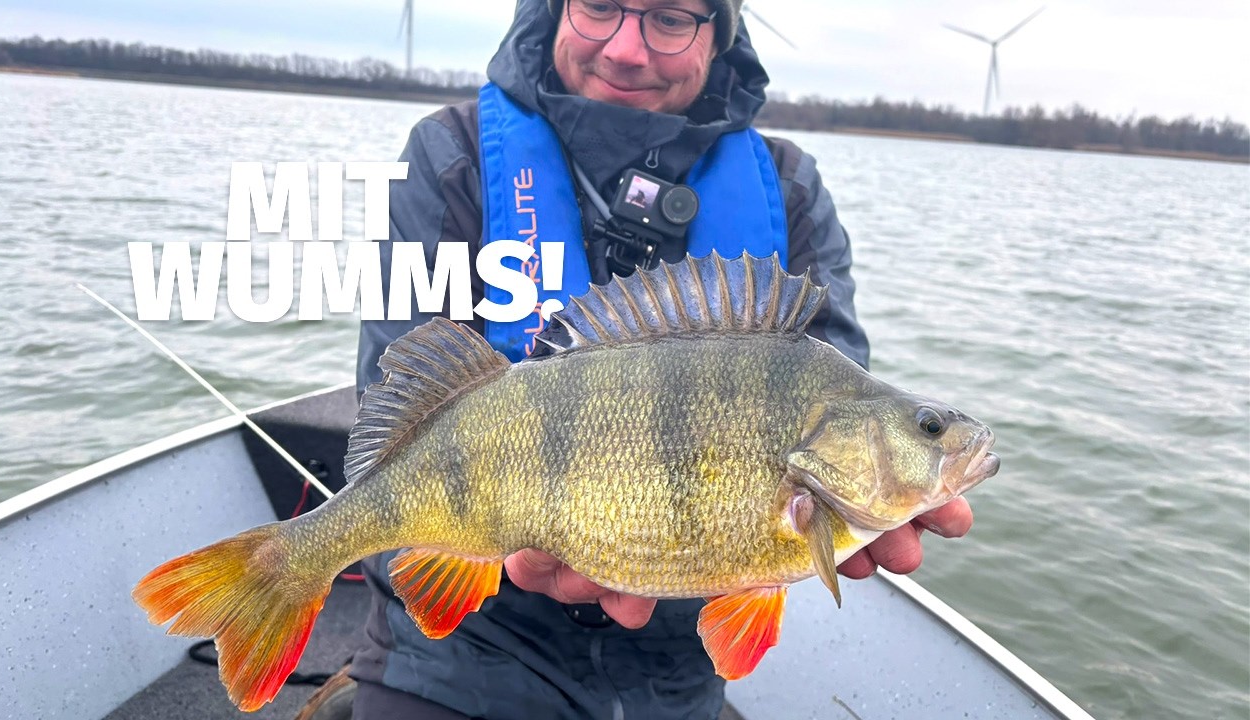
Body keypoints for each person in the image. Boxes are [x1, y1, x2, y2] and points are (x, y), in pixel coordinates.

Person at [343, 1, 974, 718]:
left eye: (670, 17)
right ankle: (285, 570)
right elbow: (397, 391)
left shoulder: (789, 187)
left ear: (720, 32)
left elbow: (830, 365)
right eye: (601, 5)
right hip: (460, 656)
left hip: (674, 674)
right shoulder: (449, 155)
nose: (626, 49)